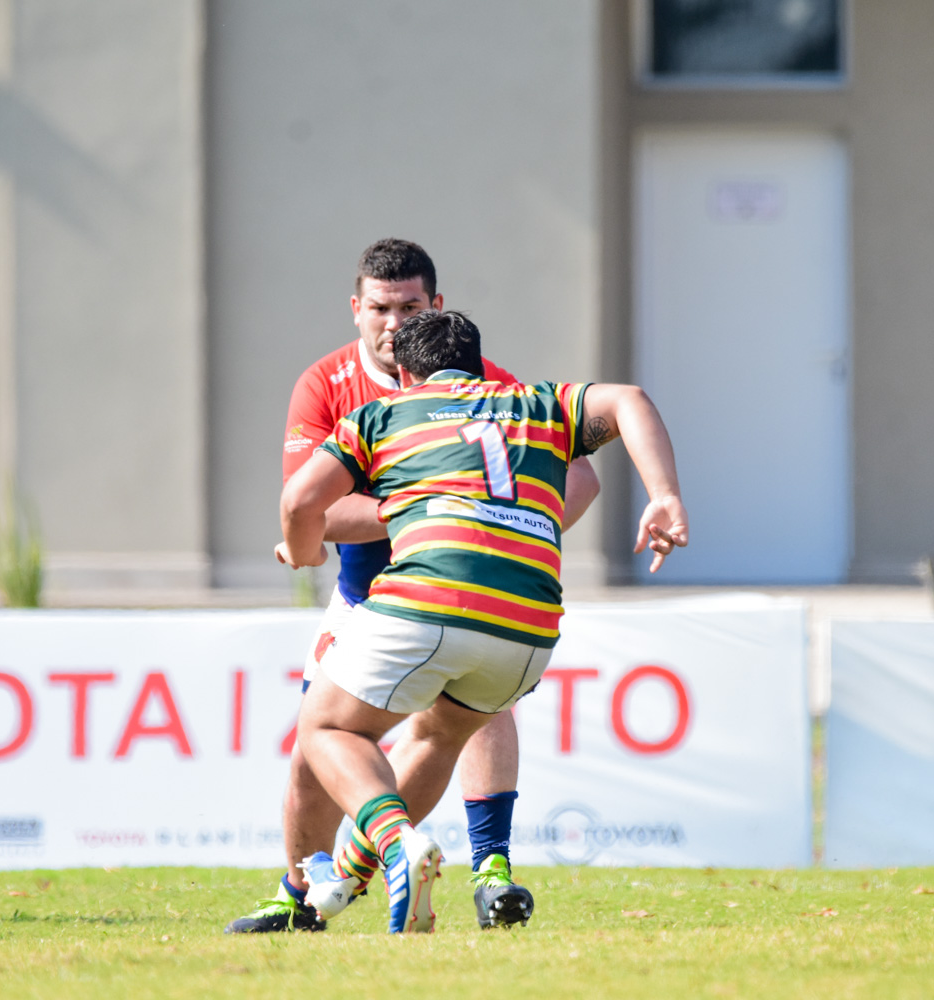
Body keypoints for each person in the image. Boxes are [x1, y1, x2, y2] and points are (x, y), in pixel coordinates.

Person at [226, 239, 600, 933]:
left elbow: (579, 476)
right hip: (370, 592)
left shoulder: (477, 375)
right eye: (379, 308)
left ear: (437, 305)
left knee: (459, 724)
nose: (393, 324)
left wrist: (513, 530)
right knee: (321, 753)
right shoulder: (327, 384)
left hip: (453, 587)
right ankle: (306, 892)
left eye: (409, 308)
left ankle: (486, 870)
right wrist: (432, 513)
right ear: (355, 309)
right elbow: (315, 504)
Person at [279, 308, 687, 932]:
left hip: (427, 599)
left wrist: (304, 551)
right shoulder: (538, 404)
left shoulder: (383, 414)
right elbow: (629, 398)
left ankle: (396, 846)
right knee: (443, 735)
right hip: (527, 629)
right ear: (476, 362)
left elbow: (300, 499)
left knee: (326, 730)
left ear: (408, 375)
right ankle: (386, 868)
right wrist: (663, 495)